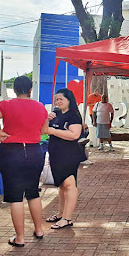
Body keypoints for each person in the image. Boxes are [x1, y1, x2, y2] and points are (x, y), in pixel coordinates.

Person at [0, 76, 48, 247]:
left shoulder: (6, 105)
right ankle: (39, 230)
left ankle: (20, 238)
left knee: (16, 196)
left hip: (12, 152)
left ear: (15, 90)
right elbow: (44, 130)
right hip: (34, 151)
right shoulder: (40, 107)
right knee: (33, 192)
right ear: (30, 89)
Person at [45, 88, 86, 229]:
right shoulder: (55, 114)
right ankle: (60, 213)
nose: (58, 102)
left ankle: (67, 218)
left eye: (61, 99)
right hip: (55, 154)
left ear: (69, 100)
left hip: (69, 155)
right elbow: (43, 130)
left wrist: (53, 130)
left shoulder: (73, 115)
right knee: (61, 186)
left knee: (69, 185)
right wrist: (46, 120)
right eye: (56, 99)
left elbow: (74, 135)